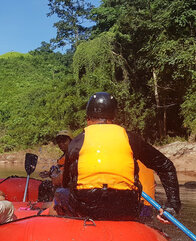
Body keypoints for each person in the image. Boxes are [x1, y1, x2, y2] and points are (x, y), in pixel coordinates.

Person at [52, 92, 181, 222]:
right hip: (125, 208)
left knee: (60, 192)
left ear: (88, 117)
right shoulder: (130, 139)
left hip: (86, 209)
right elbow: (166, 166)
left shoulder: (77, 141)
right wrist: (173, 205)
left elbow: (67, 182)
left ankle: (71, 227)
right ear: (114, 117)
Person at [38, 130, 73, 201]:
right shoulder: (63, 156)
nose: (61, 144)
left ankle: (47, 207)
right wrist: (49, 173)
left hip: (69, 187)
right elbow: (59, 171)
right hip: (62, 185)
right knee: (45, 184)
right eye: (59, 142)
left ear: (71, 141)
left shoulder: (73, 155)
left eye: (64, 141)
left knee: (46, 185)